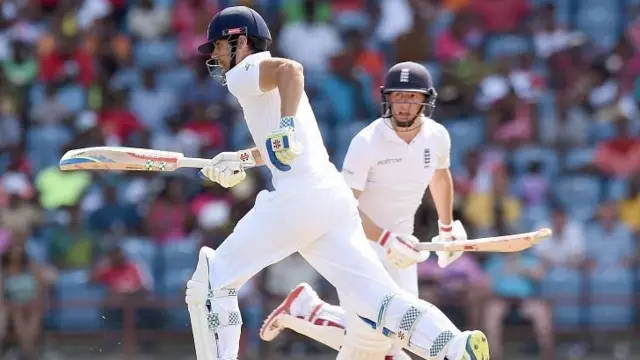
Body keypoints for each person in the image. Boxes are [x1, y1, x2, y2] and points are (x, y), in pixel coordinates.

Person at [186, 6, 489, 360]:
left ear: (238, 40)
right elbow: (285, 140)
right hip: (331, 200)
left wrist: (282, 129)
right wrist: (241, 157)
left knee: (211, 282)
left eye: (218, 47)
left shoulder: (246, 71)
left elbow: (291, 70)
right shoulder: (267, 84)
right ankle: (454, 346)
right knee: (379, 299)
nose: (216, 57)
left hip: (298, 199)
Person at [259, 61, 470, 360]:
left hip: (403, 246)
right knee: (382, 338)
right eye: (398, 96)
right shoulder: (367, 141)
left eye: (411, 97)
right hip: (359, 245)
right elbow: (345, 204)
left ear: (426, 100)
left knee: (395, 335)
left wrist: (447, 227)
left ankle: (309, 310)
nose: (404, 105)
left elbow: (439, 175)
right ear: (386, 98)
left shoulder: (437, 137)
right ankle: (308, 310)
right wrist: (384, 239)